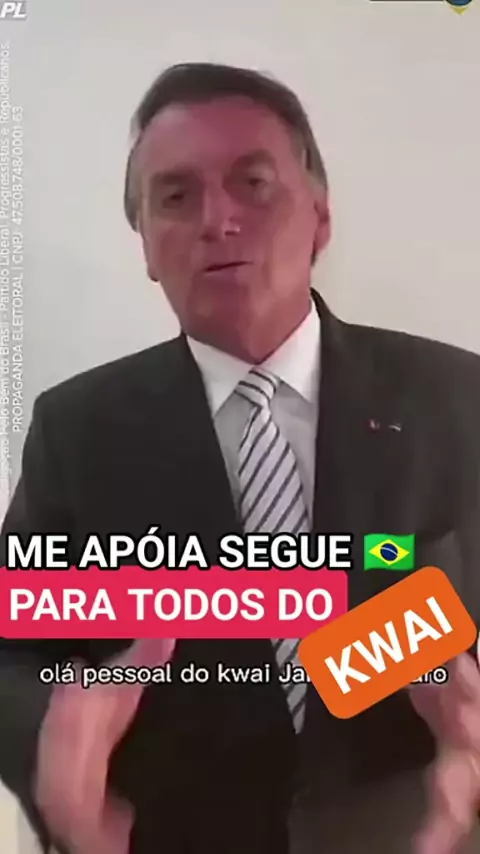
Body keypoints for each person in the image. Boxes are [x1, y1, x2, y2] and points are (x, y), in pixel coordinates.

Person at [0, 62, 480, 854]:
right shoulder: (78, 430)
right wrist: (49, 730)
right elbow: (14, 649)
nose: (217, 220)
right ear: (147, 247)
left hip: (418, 829)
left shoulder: (459, 398)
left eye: (253, 184)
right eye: (175, 197)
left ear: (320, 217)